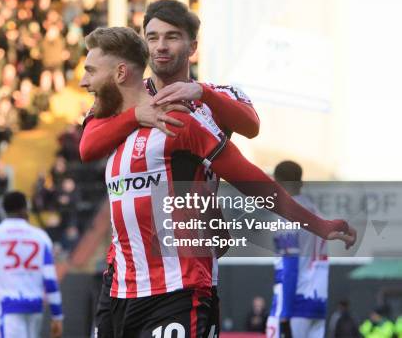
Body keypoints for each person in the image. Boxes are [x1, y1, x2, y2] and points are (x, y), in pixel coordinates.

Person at [79, 26, 356, 338]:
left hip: (177, 291)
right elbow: (86, 148)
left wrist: (318, 225)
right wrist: (135, 116)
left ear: (119, 73)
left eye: (90, 70)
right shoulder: (106, 126)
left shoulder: (180, 120)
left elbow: (250, 179)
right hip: (119, 293)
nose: (83, 81)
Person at [83, 0, 260, 338]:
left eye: (172, 37)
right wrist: (135, 115)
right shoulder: (124, 95)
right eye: (152, 38)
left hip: (185, 274)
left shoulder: (213, 97)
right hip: (122, 276)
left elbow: (251, 125)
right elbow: (88, 145)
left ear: (193, 46)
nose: (161, 46)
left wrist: (202, 92)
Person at [0, 191, 63, 338]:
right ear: (26, 208)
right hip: (35, 306)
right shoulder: (41, 237)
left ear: (4, 210)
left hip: (9, 306)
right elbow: (50, 280)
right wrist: (57, 315)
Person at [266, 161, 330, 338]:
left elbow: (290, 266)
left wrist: (284, 313)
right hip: (318, 302)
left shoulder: (287, 215)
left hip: (294, 303)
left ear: (277, 183)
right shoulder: (316, 213)